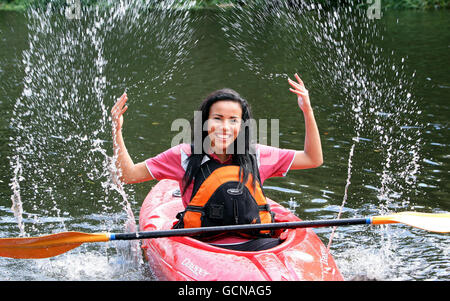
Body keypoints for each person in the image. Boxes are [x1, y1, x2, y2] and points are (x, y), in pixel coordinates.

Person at [111, 74, 322, 251]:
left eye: (233, 120)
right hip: (201, 248)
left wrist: (308, 111)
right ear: (205, 122)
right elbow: (127, 175)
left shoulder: (256, 155)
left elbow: (313, 159)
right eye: (217, 118)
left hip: (259, 246)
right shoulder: (184, 155)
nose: (225, 127)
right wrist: (117, 131)